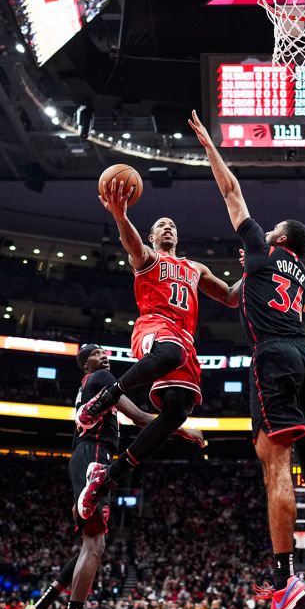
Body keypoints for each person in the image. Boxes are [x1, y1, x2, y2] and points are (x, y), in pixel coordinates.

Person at [189, 110, 305, 609]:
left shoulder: (262, 247)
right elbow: (270, 299)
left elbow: (231, 190)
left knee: (273, 461)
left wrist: (208, 144)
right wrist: (209, 280)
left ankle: (287, 579)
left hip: (276, 356)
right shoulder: (297, 273)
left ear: (279, 236)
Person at [16, 343, 205, 609]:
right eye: (95, 353)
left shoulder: (102, 385)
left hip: (85, 455)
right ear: (84, 363)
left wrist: (180, 429)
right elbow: (142, 415)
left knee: (90, 545)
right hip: (94, 455)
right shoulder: (103, 377)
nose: (104, 356)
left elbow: (142, 418)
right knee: (95, 546)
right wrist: (181, 421)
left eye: (105, 352)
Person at [73, 178, 238, 520]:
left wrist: (254, 269)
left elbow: (231, 298)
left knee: (177, 412)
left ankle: (107, 476)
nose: (168, 228)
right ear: (152, 237)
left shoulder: (195, 268)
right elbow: (131, 244)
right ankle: (104, 399)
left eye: (172, 225)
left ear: (178, 236)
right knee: (170, 352)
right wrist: (121, 216)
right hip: (154, 326)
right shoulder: (147, 258)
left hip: (185, 340)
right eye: (161, 225)